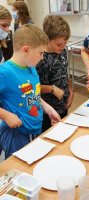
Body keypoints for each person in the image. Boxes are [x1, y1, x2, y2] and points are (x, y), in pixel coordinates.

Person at [0, 24, 61, 159]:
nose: (42, 57)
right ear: (26, 50)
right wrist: (5, 115)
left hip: (35, 129)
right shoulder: (4, 72)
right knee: (16, 170)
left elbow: (33, 94)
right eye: (41, 53)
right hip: (15, 134)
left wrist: (48, 108)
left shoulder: (31, 68)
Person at [36, 15, 73, 132]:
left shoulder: (62, 51)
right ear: (47, 39)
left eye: (65, 42)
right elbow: (33, 88)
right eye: (59, 44)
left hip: (63, 106)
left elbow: (64, 72)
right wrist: (52, 89)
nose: (63, 46)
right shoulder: (39, 58)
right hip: (48, 111)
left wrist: (70, 89)